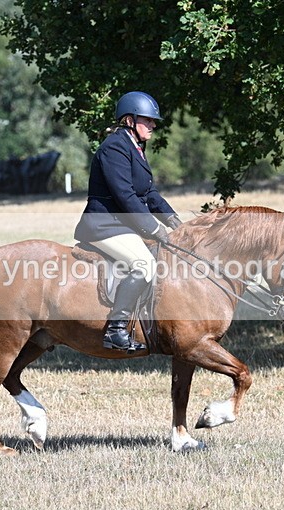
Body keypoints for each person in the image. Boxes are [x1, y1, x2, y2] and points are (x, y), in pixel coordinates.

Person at [74, 91, 182, 353]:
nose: (153, 125)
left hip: (122, 224)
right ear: (129, 120)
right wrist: (153, 227)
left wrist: (174, 220)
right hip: (104, 225)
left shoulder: (135, 147)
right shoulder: (114, 147)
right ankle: (116, 329)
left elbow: (149, 193)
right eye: (148, 120)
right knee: (144, 265)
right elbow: (125, 196)